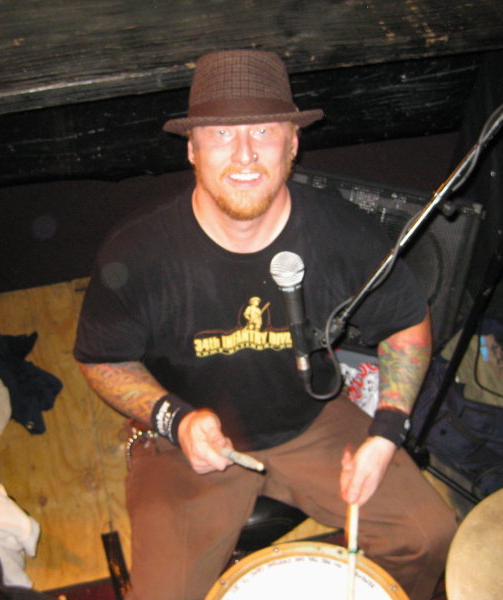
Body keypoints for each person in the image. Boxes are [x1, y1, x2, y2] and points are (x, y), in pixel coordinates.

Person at [74, 49, 457, 600]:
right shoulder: (137, 254)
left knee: (428, 536)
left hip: (311, 420)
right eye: (221, 134)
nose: (245, 154)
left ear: (293, 143)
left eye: (263, 130)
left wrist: (385, 432)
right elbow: (102, 360)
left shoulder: (345, 234)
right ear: (192, 149)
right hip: (189, 438)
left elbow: (407, 326)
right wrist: (173, 419)